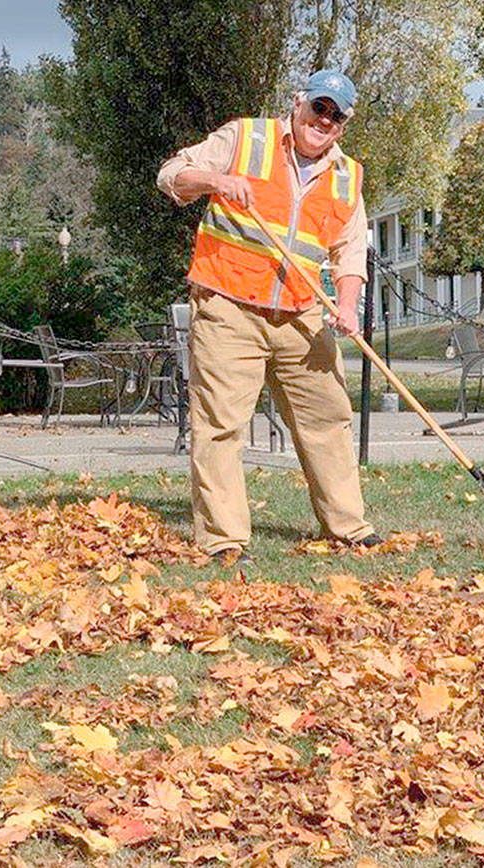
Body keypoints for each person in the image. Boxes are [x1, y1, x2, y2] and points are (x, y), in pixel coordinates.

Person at [156, 69, 382, 564]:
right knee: (221, 423)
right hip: (229, 305)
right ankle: (224, 539)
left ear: (343, 126)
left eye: (336, 115)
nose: (324, 120)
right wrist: (217, 180)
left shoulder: (348, 177)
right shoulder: (244, 138)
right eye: (319, 107)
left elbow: (349, 254)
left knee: (329, 416)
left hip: (302, 313)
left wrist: (345, 305)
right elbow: (171, 174)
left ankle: (348, 526)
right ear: (298, 104)